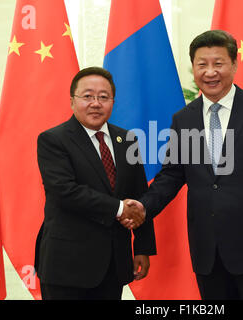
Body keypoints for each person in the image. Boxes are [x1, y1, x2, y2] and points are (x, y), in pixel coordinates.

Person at [125, 30, 243, 300]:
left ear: (234, 65)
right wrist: (143, 206)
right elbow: (172, 175)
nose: (210, 72)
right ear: (193, 67)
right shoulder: (184, 119)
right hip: (208, 249)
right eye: (202, 64)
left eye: (218, 64)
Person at [34, 67, 156, 300]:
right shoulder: (53, 140)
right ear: (72, 101)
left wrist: (142, 247)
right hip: (67, 266)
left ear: (112, 102)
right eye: (87, 96)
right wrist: (120, 208)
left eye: (103, 97)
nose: (96, 103)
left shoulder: (127, 139)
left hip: (114, 263)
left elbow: (139, 194)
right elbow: (65, 192)